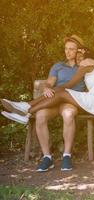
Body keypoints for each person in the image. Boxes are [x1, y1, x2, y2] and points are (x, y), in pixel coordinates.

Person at [1, 35, 85, 172]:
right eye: (66, 49)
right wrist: (46, 87)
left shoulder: (82, 66)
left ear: (79, 51)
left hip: (71, 101)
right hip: (54, 101)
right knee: (40, 116)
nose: (68, 52)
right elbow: (50, 81)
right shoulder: (58, 66)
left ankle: (66, 156)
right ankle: (47, 157)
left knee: (68, 114)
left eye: (72, 49)